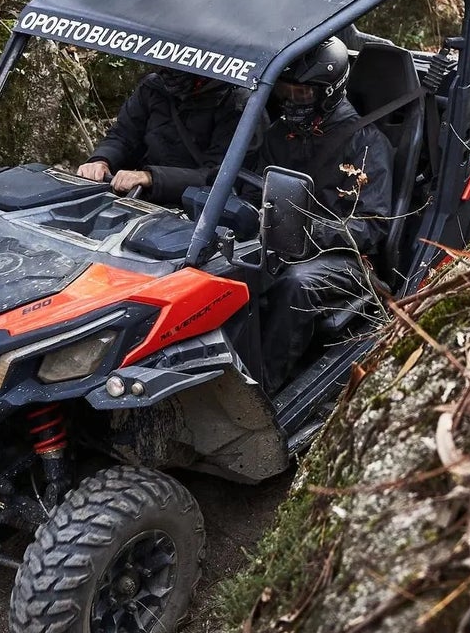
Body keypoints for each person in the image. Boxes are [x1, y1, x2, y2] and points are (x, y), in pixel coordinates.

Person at [249, 38, 393, 383]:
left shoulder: (366, 143)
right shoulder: (278, 135)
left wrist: (309, 234)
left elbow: (372, 226)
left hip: (346, 258)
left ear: (329, 91)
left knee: (295, 285)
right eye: (286, 92)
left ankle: (268, 388)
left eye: (302, 95)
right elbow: (252, 186)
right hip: (276, 242)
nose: (292, 102)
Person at [76, 68, 244, 205]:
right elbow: (123, 135)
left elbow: (222, 176)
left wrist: (151, 177)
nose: (169, 73)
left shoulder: (236, 104)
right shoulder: (154, 86)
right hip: (140, 200)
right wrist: (101, 160)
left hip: (198, 212)